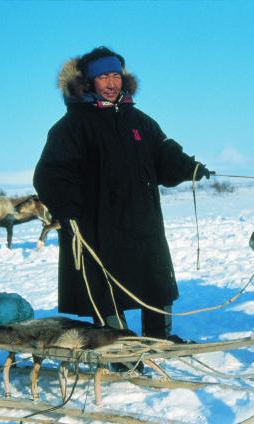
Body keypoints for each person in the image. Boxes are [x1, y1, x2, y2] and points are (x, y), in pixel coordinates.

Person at [33, 46, 211, 342]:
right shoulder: (71, 127)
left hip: (143, 222)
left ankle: (159, 339)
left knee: (154, 279)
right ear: (88, 82)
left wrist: (187, 167)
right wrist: (68, 210)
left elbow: (163, 156)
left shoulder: (140, 122)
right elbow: (50, 174)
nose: (112, 83)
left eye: (116, 75)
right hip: (97, 224)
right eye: (103, 77)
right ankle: (115, 346)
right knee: (106, 285)